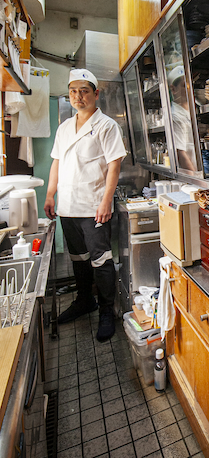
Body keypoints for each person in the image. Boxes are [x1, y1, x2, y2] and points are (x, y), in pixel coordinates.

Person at [44, 69, 127, 341]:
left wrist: (106, 201)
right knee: (77, 258)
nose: (78, 97)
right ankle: (84, 300)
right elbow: (57, 162)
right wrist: (49, 195)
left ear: (95, 94)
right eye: (73, 92)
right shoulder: (65, 127)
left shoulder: (106, 126)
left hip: (94, 207)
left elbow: (114, 165)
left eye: (84, 91)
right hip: (68, 207)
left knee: (100, 260)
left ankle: (106, 310)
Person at [168, 65, 197, 171]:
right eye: (185, 85)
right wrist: (196, 179)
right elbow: (180, 153)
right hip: (191, 175)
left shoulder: (192, 111)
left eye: (190, 85)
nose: (190, 89)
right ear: (173, 89)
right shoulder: (175, 115)